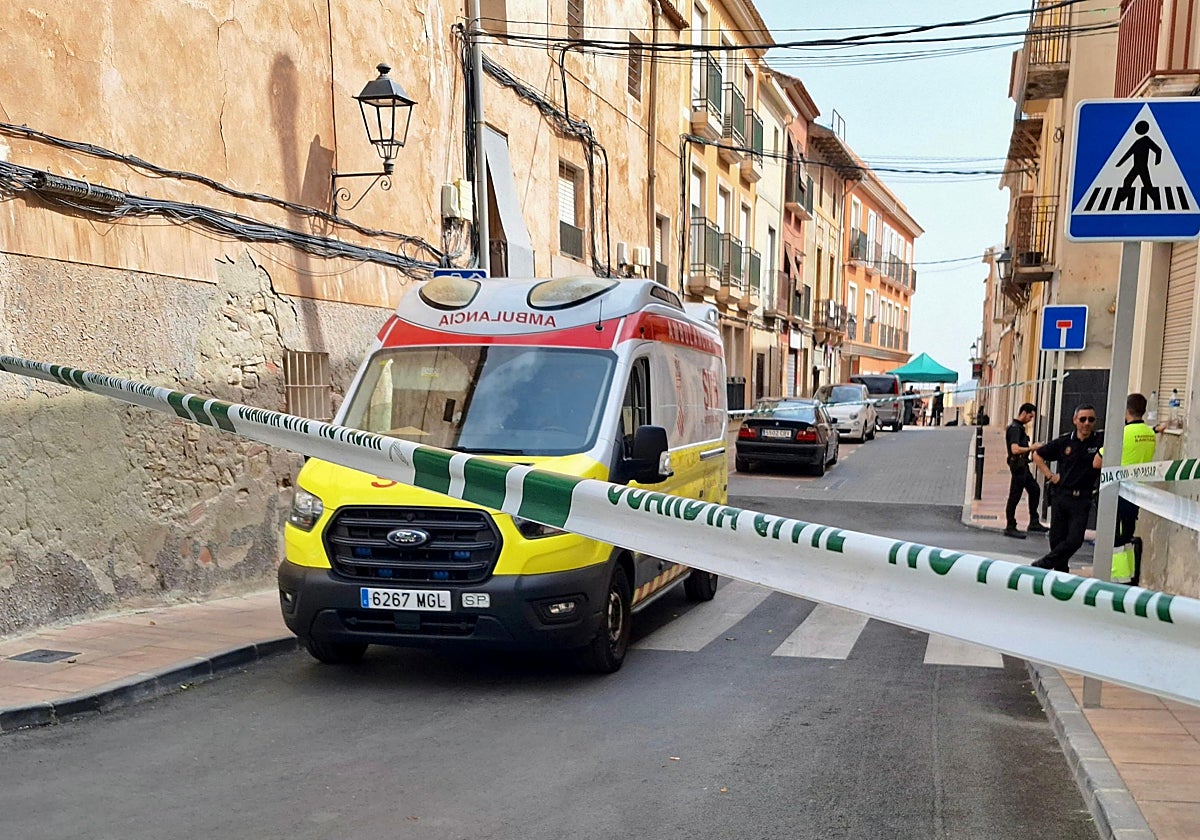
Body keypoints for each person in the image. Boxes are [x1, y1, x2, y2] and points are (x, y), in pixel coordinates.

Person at [1031, 404, 1104, 572]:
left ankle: (1042, 565)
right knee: (1057, 540)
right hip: (1061, 496)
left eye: (1091, 419)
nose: (1086, 423)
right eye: (1082, 419)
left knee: (1075, 540)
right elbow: (1037, 455)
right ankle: (1061, 576)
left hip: (1082, 499)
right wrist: (1050, 475)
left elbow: (1123, 434)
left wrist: (1155, 429)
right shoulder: (1065, 442)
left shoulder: (1099, 440)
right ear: (1074, 420)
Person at [1102, 393, 1164, 585]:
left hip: (1118, 492)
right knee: (1127, 535)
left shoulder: (1121, 434)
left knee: (1116, 538)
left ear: (1126, 410)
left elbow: (1098, 460)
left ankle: (1116, 577)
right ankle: (1129, 576)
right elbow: (1144, 434)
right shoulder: (1149, 433)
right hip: (1137, 493)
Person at [1003, 402, 1048, 539]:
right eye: (1030, 416)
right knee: (1015, 496)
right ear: (1023, 413)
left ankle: (1034, 521)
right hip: (1018, 466)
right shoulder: (1015, 429)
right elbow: (1015, 449)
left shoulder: (1018, 428)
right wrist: (1031, 448)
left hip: (1023, 466)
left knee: (1034, 489)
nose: (1030, 420)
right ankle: (1010, 526)